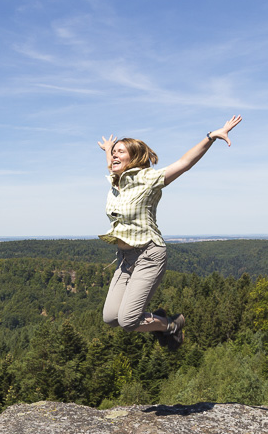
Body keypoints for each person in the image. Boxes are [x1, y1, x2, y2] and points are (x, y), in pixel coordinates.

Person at [98, 115, 242, 349]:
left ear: (134, 158)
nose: (114, 155)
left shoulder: (149, 178)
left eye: (120, 152)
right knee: (110, 318)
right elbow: (114, 165)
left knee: (127, 321)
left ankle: (170, 324)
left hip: (148, 254)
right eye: (113, 152)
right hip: (125, 259)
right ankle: (161, 322)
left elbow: (184, 163)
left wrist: (211, 137)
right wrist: (109, 149)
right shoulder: (116, 182)